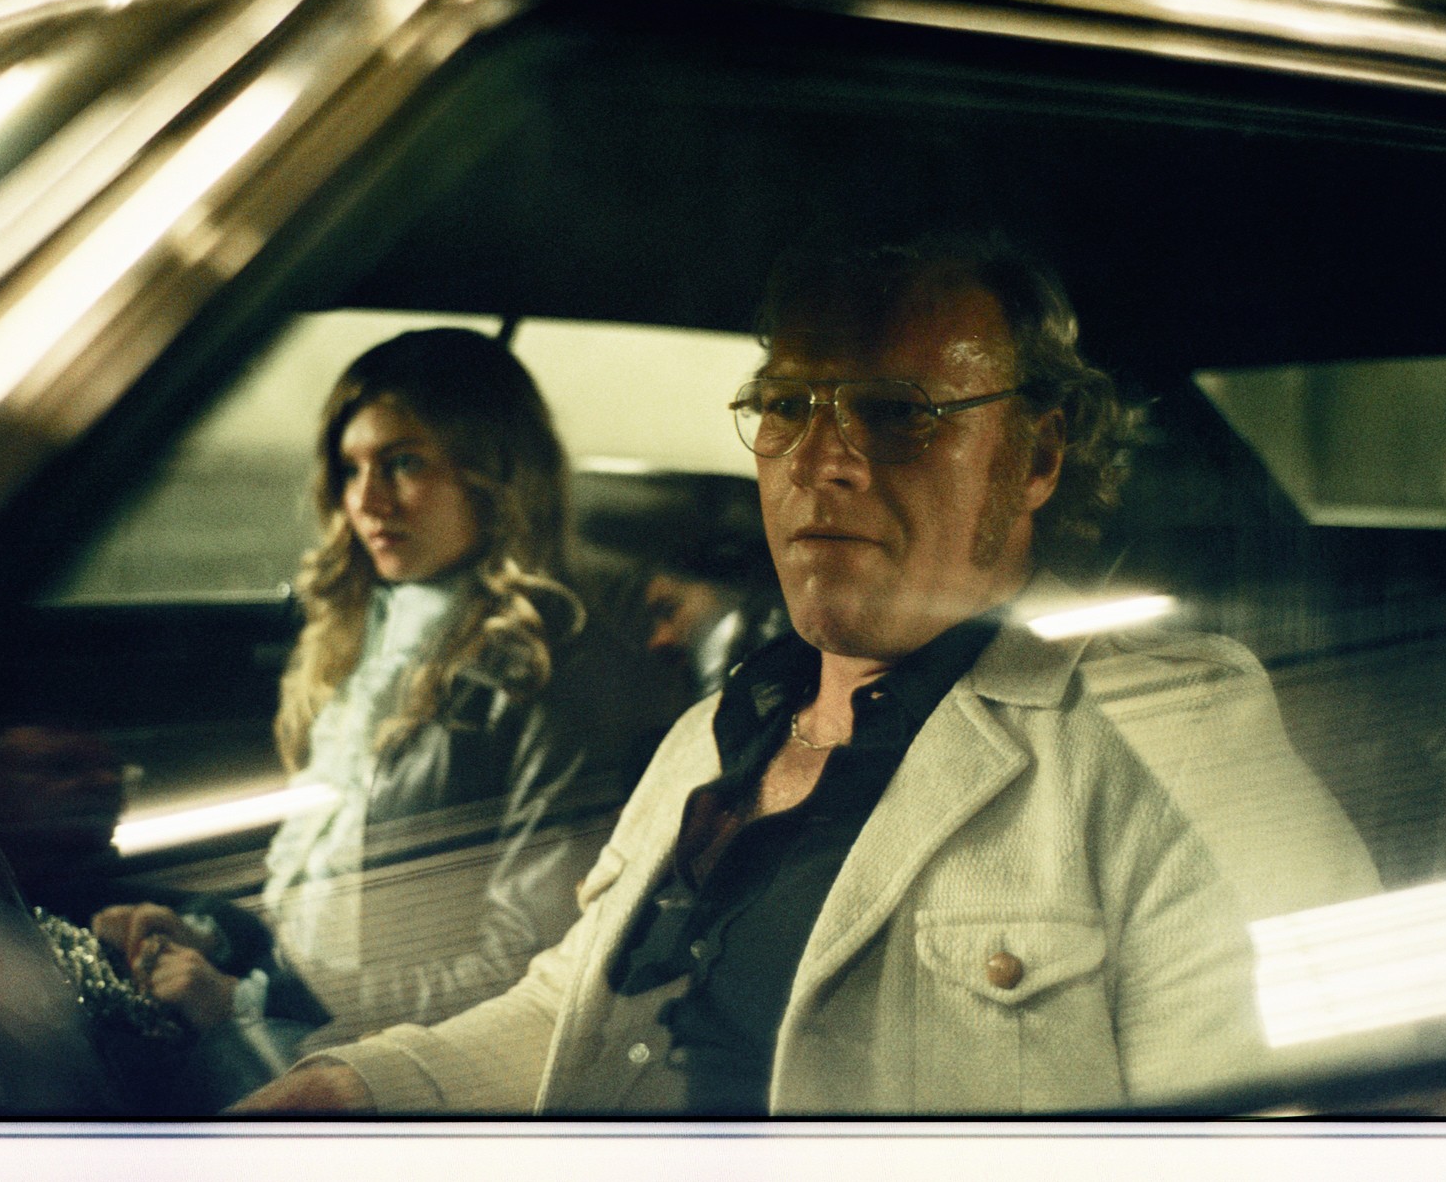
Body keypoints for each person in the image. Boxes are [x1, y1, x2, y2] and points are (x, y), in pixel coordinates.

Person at [231, 236, 1377, 1116]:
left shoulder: (1168, 737)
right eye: (788, 405)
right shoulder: (714, 733)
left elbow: (1304, 1120)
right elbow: (574, 1009)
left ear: (1035, 456)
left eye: (897, 414)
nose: (822, 461)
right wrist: (358, 1086)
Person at [94, 327, 665, 1103]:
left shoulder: (554, 675)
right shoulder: (362, 633)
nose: (366, 501)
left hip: (390, 1062)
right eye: (351, 468)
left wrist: (252, 1003)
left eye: (404, 463)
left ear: (493, 474)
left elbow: (522, 969)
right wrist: (211, 932)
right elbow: (312, 885)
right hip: (296, 1008)